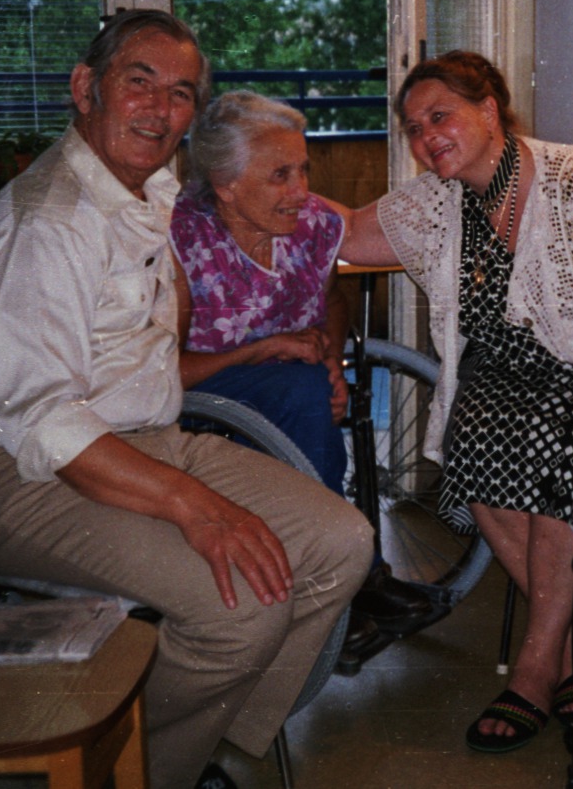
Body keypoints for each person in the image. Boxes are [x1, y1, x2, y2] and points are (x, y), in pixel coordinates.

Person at [0, 10, 372, 789]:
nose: (160, 107)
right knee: (237, 607)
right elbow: (45, 420)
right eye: (139, 80)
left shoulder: (149, 191)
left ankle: (208, 742)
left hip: (144, 437)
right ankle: (135, 772)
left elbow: (285, 232)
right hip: (19, 472)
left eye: (180, 92)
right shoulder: (48, 221)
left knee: (341, 540)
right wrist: (197, 507)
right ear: (84, 87)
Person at [332, 50, 573, 753]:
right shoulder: (436, 200)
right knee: (469, 438)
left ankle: (534, 667)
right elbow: (344, 232)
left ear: (489, 109)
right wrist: (263, 186)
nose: (425, 136)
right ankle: (567, 655)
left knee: (552, 447)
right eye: (412, 127)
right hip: (495, 377)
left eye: (440, 115)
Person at [168, 90, 435, 645]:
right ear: (225, 184)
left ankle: (347, 578)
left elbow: (330, 300)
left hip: (291, 390)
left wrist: (332, 360)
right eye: (280, 175)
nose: (302, 191)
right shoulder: (181, 241)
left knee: (310, 391)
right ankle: (337, 588)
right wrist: (261, 352)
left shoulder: (310, 226)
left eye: (303, 170)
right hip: (201, 403)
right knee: (301, 391)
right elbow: (161, 371)